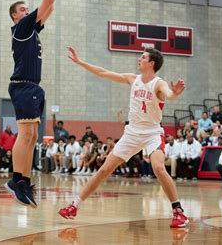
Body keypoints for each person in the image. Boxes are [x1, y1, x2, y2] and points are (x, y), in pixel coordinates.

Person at [58, 46, 188, 228]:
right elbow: (104, 72)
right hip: (132, 133)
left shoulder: (158, 83)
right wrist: (80, 62)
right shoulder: (132, 79)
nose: (139, 60)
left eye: (142, 57)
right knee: (104, 170)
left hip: (152, 133)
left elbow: (169, 94)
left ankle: (178, 212)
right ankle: (74, 206)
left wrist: (175, 93)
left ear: (151, 63)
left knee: (158, 167)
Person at [5, 0, 66, 208]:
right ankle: (17, 180)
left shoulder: (32, 30)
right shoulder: (22, 28)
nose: (26, 11)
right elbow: (48, 3)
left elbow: (48, 8)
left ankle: (24, 180)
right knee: (26, 134)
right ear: (15, 15)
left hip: (32, 86)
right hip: (23, 84)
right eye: (22, 9)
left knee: (31, 137)